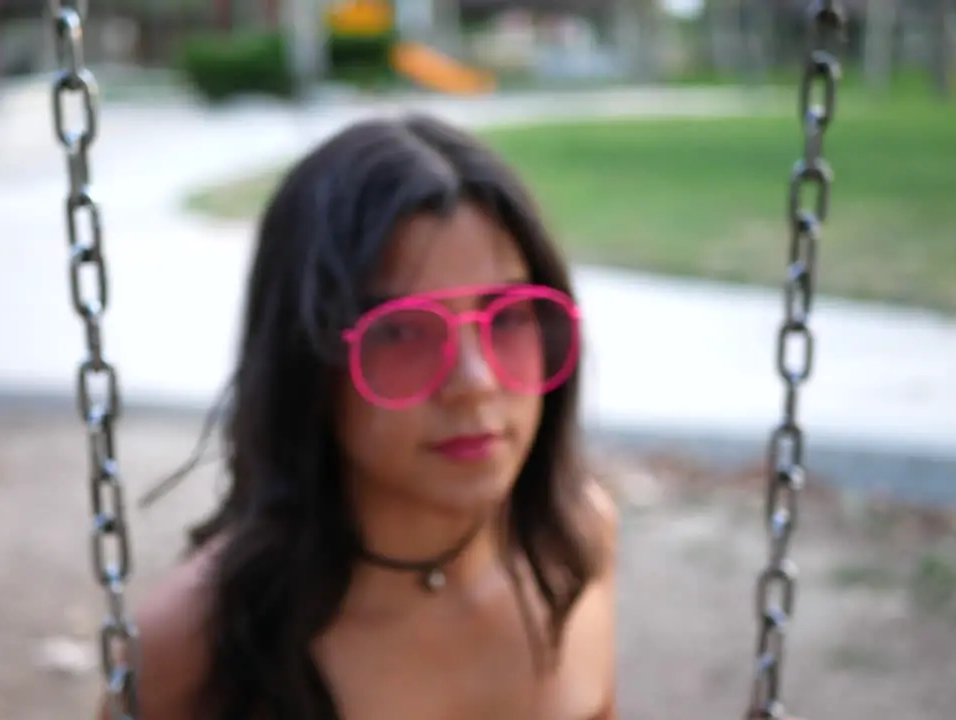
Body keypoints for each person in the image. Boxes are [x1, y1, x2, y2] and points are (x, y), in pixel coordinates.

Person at [100, 113, 619, 719]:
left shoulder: (574, 543)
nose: (475, 384)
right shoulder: (188, 647)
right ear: (307, 359)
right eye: (400, 332)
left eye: (506, 317)